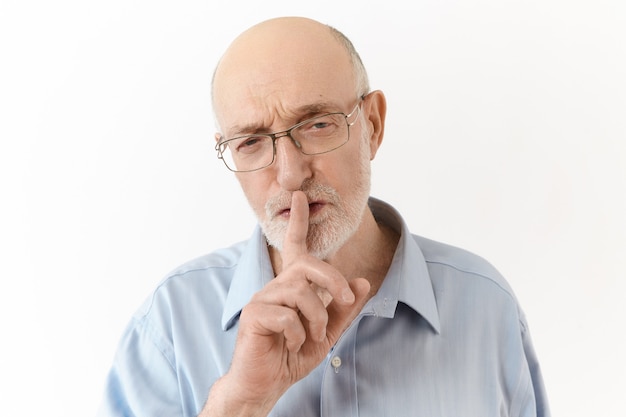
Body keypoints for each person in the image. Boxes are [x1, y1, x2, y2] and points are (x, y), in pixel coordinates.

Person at [98, 16, 550, 417]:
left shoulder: (485, 307)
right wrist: (239, 404)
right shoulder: (170, 324)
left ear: (372, 125)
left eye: (317, 125)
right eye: (252, 142)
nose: (291, 175)